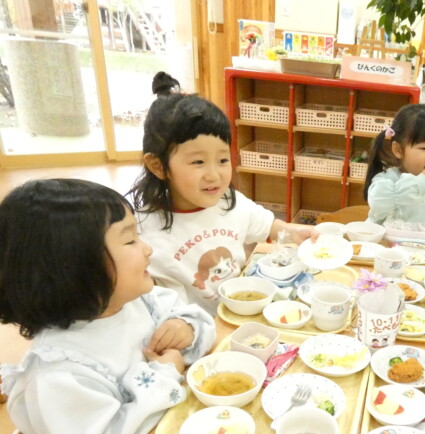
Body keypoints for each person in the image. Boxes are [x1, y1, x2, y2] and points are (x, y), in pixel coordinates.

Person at [0, 179, 216, 434]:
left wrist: (185, 326)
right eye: (130, 240)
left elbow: (202, 322)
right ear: (76, 266)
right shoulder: (59, 372)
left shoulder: (138, 302)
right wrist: (164, 373)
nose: (147, 248)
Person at [130, 72, 314, 313]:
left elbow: (270, 227)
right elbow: (156, 307)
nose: (214, 175)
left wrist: (298, 234)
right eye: (198, 162)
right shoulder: (144, 232)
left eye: (223, 160)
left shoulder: (229, 201)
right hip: (198, 331)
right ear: (158, 166)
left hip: (242, 313)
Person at [363, 103, 425, 240]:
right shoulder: (386, 180)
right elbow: (378, 203)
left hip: (420, 252)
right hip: (383, 249)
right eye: (424, 148)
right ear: (398, 150)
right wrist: (422, 183)